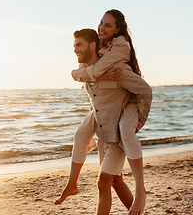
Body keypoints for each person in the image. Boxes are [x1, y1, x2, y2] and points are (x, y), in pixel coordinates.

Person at [56, 28, 152, 214]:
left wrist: (136, 125)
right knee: (116, 181)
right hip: (103, 136)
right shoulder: (86, 71)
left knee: (103, 183)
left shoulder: (117, 70)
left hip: (118, 139)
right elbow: (77, 76)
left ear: (92, 45)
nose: (75, 49)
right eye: (74, 45)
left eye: (78, 45)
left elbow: (145, 91)